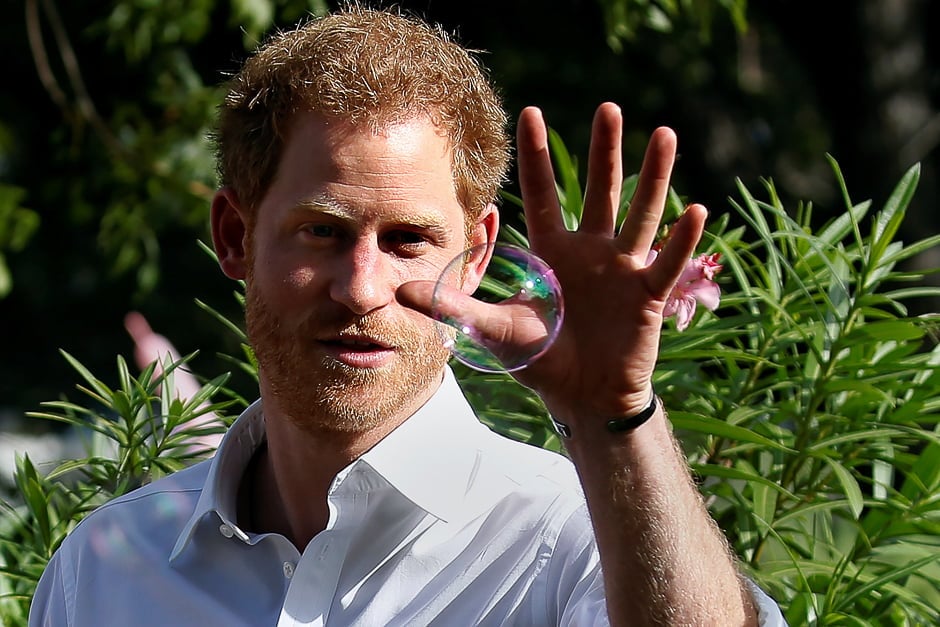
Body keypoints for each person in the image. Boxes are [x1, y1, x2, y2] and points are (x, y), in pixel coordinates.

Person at [29, 6, 785, 626]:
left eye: (408, 240)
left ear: (479, 255)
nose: (362, 289)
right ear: (234, 236)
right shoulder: (104, 567)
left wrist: (617, 419)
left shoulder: (570, 542)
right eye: (323, 231)